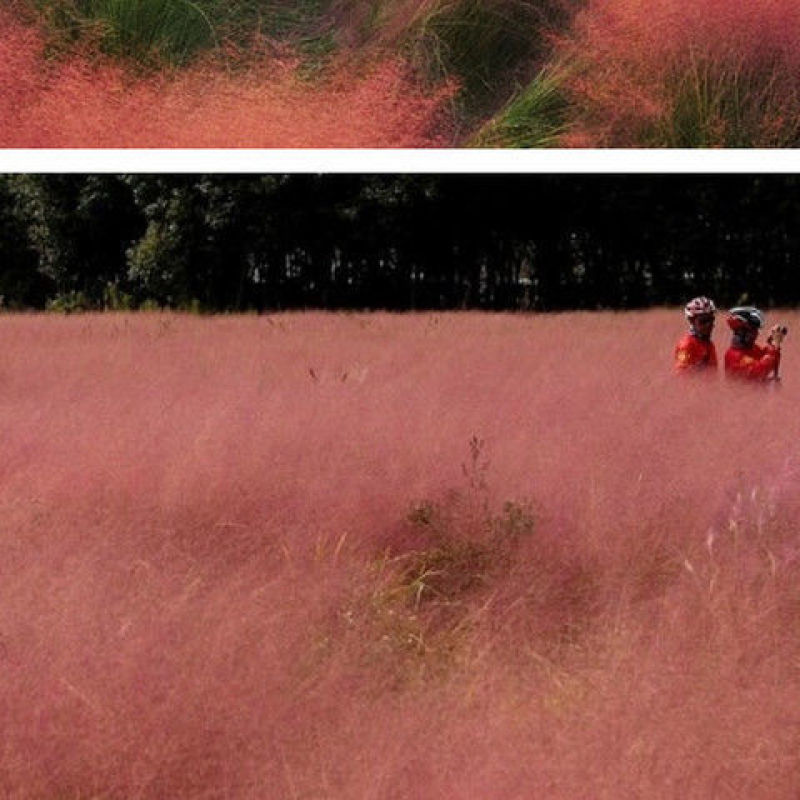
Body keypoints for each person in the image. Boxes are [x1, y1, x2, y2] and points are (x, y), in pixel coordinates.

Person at [724, 306, 786, 382]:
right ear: (741, 332)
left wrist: (771, 343)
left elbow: (767, 357)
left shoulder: (750, 348)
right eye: (752, 330)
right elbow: (760, 370)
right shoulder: (734, 356)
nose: (756, 334)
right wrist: (774, 345)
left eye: (756, 330)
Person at [674, 296, 718, 375]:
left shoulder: (709, 344)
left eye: (711, 320)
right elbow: (681, 375)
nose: (708, 325)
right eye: (703, 321)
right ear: (692, 321)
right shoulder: (686, 345)